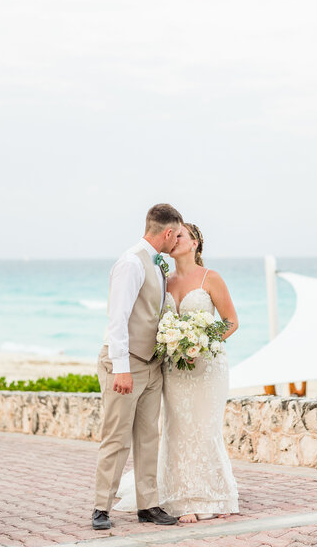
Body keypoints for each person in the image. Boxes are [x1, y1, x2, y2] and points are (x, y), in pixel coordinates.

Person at [114, 223, 240, 523]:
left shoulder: (212, 278)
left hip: (208, 367)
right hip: (175, 369)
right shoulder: (164, 281)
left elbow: (231, 322)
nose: (173, 239)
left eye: (180, 235)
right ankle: (182, 498)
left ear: (195, 243)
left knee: (205, 429)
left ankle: (213, 493)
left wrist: (203, 342)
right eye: (171, 235)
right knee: (178, 429)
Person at [92, 203, 183, 530]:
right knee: (116, 437)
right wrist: (121, 368)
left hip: (151, 364)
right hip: (125, 362)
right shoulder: (131, 263)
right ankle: (101, 507)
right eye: (177, 236)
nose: (177, 243)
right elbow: (117, 320)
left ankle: (149, 505)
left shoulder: (158, 264)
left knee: (149, 437)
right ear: (168, 233)